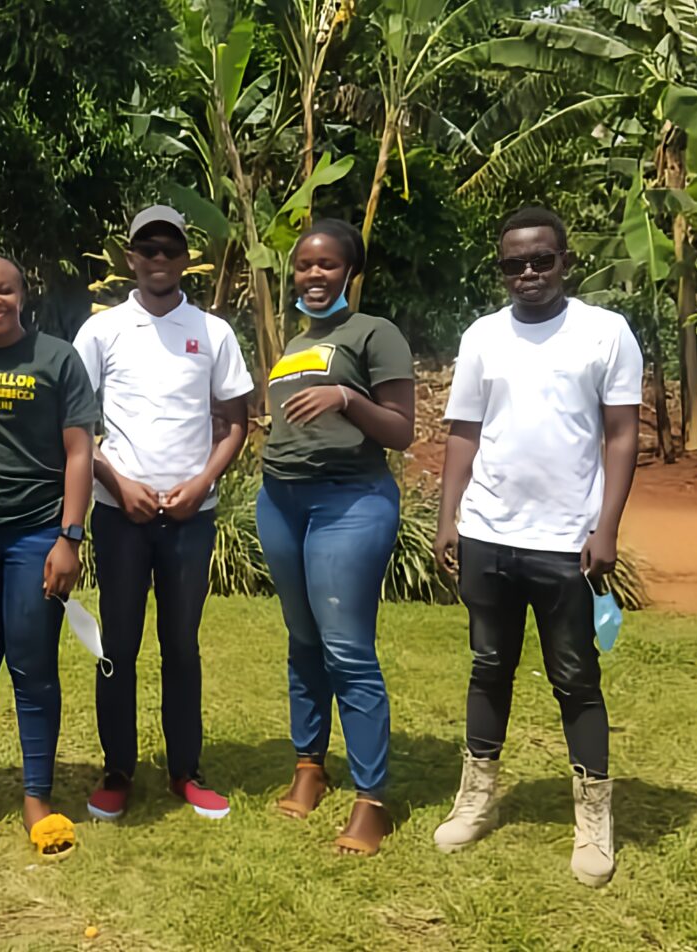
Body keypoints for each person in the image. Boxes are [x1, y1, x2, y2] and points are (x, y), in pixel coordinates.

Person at [432, 206, 641, 888]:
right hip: (488, 534)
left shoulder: (605, 333)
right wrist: (449, 517)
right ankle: (477, 797)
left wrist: (606, 528)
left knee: (575, 678)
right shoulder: (484, 336)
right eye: (513, 263)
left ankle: (593, 817)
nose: (528, 272)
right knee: (488, 666)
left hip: (567, 542)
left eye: (541, 260)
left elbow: (621, 435)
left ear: (564, 261)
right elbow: (463, 432)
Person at [71, 205, 252, 822]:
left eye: (169, 250)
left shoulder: (212, 332)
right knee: (118, 643)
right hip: (120, 513)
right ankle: (117, 769)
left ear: (184, 259)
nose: (158, 259)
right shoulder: (102, 331)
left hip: (190, 517)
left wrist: (202, 483)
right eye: (147, 249)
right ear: (131, 258)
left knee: (181, 645)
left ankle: (185, 770)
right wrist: (118, 483)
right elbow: (75, 424)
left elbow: (235, 423)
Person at [258, 218, 416, 857]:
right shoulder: (295, 343)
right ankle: (309, 767)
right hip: (281, 501)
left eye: (326, 264)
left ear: (351, 271)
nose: (313, 275)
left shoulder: (375, 333)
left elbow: (401, 430)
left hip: (349, 501)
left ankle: (371, 799)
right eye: (304, 265)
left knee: (347, 649)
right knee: (302, 641)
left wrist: (346, 398)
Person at [0, 253, 99, 860]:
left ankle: (37, 798)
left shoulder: (57, 358)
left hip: (36, 533)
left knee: (33, 666)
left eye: (3, 289)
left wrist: (70, 536)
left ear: (21, 294)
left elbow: (79, 451)